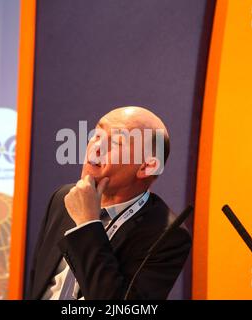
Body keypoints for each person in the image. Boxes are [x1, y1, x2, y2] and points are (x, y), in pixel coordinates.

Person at [28, 106, 191, 300]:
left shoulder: (167, 235)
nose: (95, 147)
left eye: (115, 142)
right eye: (97, 135)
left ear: (146, 166)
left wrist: (87, 224)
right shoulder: (63, 198)